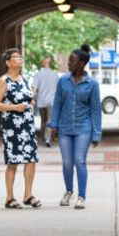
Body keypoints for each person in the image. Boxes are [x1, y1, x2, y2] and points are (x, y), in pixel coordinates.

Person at [48, 44, 102, 210]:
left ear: (81, 63)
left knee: (80, 161)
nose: (68, 64)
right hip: (65, 128)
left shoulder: (92, 84)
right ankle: (68, 191)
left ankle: (81, 196)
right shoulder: (63, 80)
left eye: (72, 61)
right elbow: (57, 104)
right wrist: (54, 125)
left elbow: (96, 110)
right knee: (66, 162)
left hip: (83, 128)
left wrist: (96, 134)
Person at [0, 48, 42, 209]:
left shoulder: (24, 79)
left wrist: (29, 104)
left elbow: (27, 98)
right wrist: (14, 107)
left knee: (31, 159)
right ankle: (9, 197)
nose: (20, 59)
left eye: (20, 57)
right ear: (8, 62)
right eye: (15, 57)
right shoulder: (3, 80)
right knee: (13, 161)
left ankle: (28, 195)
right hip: (11, 125)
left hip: (27, 124)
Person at [32, 55, 59, 147]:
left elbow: (34, 89)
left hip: (41, 101)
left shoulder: (38, 74)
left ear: (42, 63)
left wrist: (32, 99)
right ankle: (47, 138)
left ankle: (44, 137)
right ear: (49, 62)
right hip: (52, 101)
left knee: (43, 120)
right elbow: (59, 89)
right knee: (49, 120)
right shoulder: (55, 74)